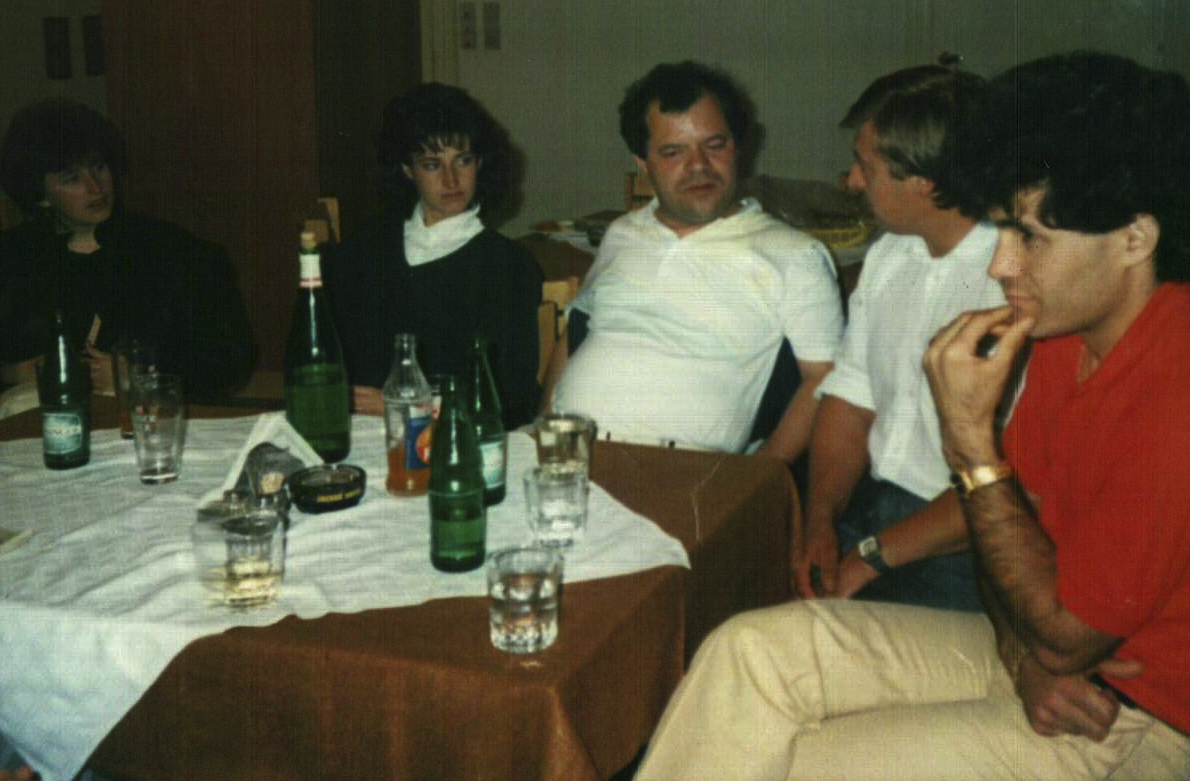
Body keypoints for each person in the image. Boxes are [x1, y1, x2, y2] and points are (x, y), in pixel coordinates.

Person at [634, 52, 1190, 781]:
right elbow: (1005, 543)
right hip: (1039, 658)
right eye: (1002, 231)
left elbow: (1062, 630)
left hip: (1136, 721)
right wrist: (1021, 655)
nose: (999, 265)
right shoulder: (1067, 341)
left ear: (1135, 239)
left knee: (800, 762)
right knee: (746, 654)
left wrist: (970, 444)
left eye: (1030, 237)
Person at [544, 61, 843, 460]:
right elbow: (576, 333)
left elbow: (825, 380)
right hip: (565, 457)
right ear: (643, 165)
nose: (699, 166)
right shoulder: (622, 234)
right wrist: (540, 431)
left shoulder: (794, 255)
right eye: (673, 152)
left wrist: (758, 475)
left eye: (715, 145)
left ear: (738, 147)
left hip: (682, 470)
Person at [796, 65, 1009, 612]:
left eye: (866, 167)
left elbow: (1014, 476)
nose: (852, 182)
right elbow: (851, 398)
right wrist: (820, 520)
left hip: (965, 543)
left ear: (925, 182)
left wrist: (871, 557)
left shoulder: (1011, 281)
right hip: (871, 513)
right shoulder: (891, 254)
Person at [0, 100, 255, 408]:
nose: (96, 187)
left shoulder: (174, 251)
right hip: (29, 426)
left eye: (99, 167)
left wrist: (141, 371)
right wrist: (13, 373)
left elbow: (232, 359)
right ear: (40, 194)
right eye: (72, 178)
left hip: (141, 416)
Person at [327, 83, 543, 427]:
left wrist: (408, 408)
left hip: (456, 435)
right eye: (432, 165)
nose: (451, 180)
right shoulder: (365, 247)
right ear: (407, 170)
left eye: (463, 161)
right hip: (362, 429)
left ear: (480, 163)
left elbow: (513, 398)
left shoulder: (509, 264)